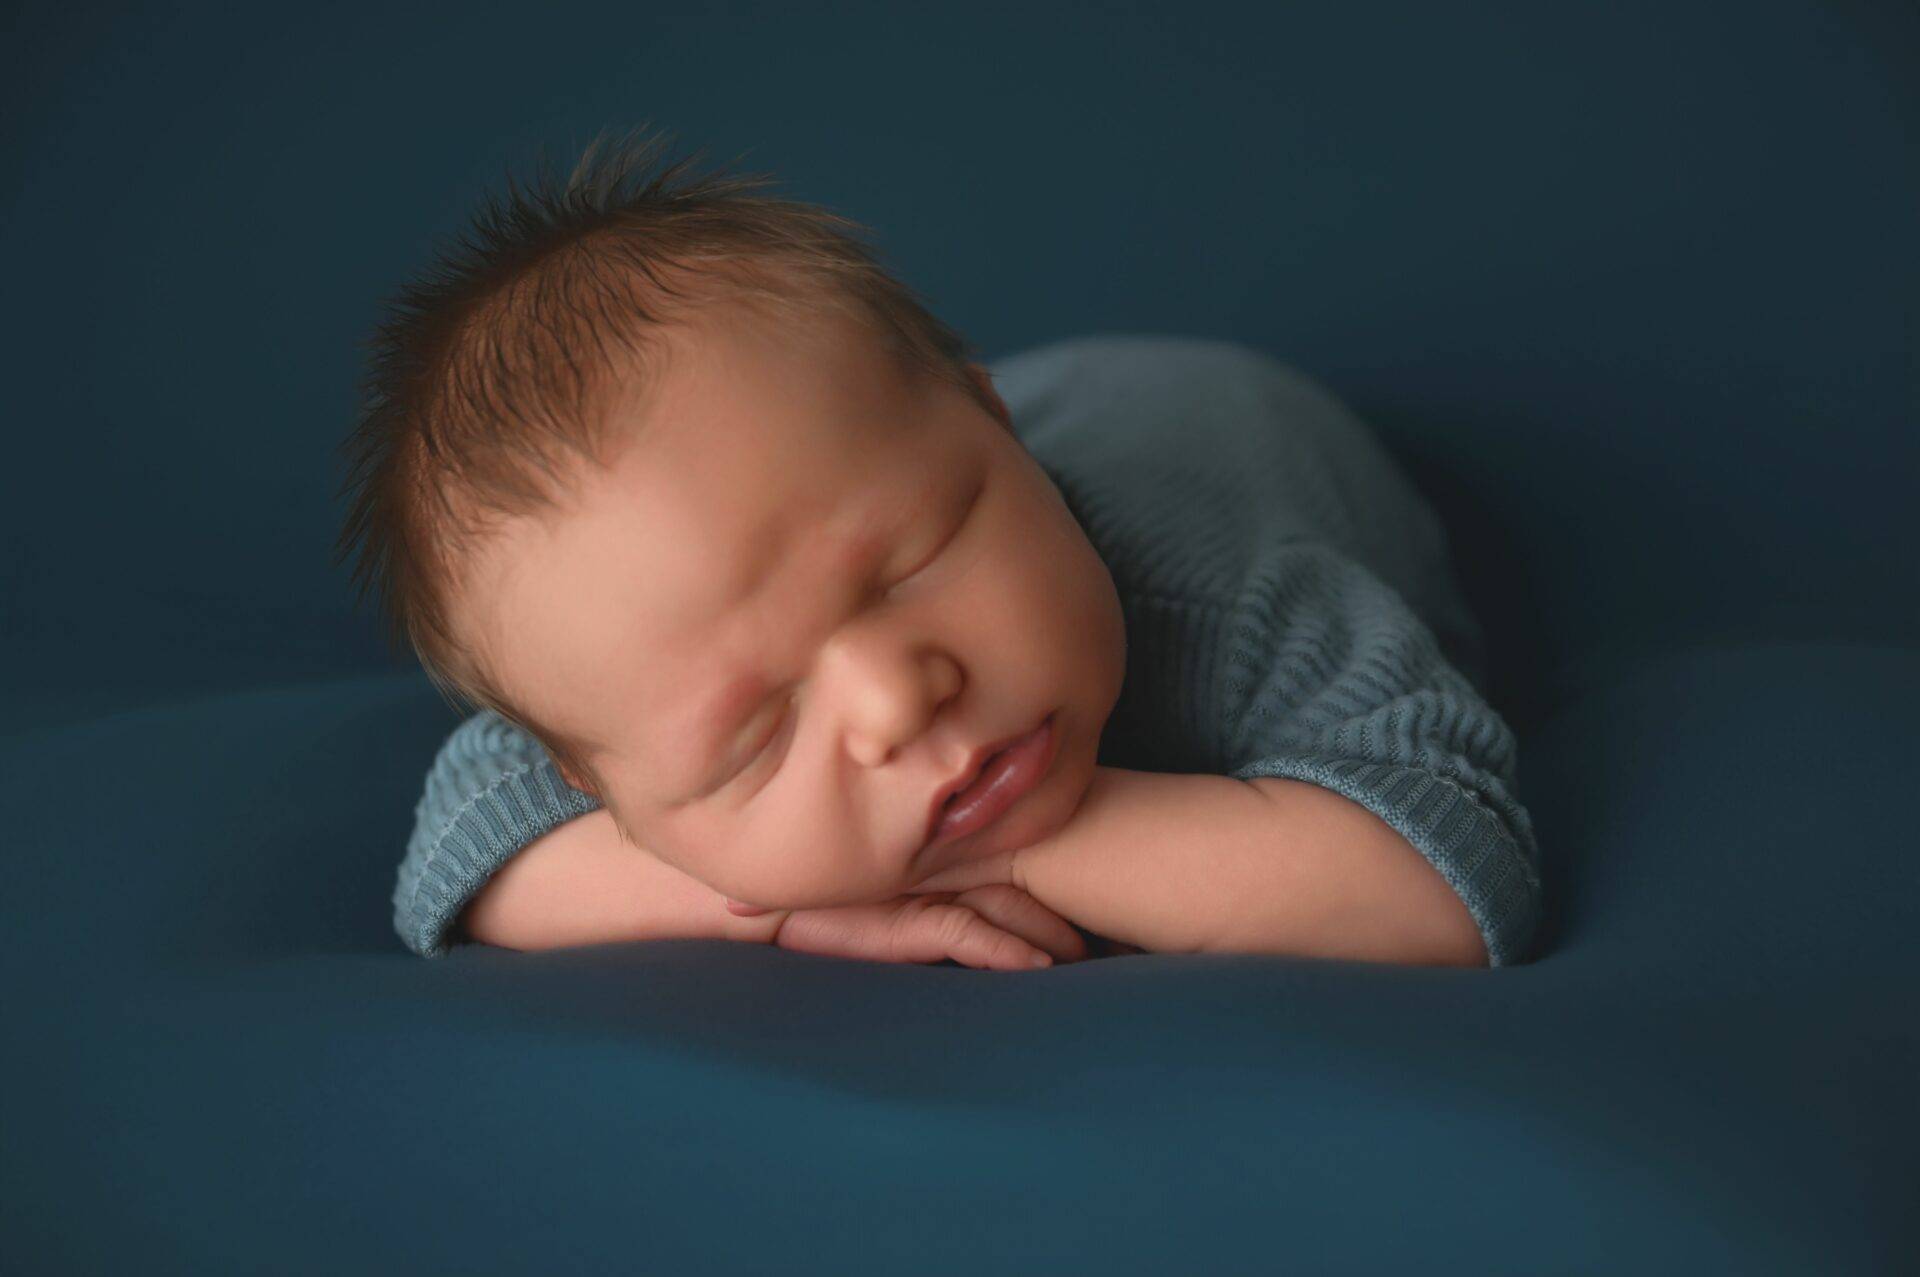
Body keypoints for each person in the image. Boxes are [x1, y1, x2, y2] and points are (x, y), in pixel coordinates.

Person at [335, 124, 1541, 970]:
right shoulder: (633, 681)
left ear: (995, 431)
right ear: (602, 788)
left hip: (1221, 416)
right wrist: (767, 906)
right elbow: (461, 859)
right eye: (756, 733)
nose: (897, 698)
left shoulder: (1232, 595)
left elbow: (1442, 889)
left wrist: (1008, 861)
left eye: (915, 559)